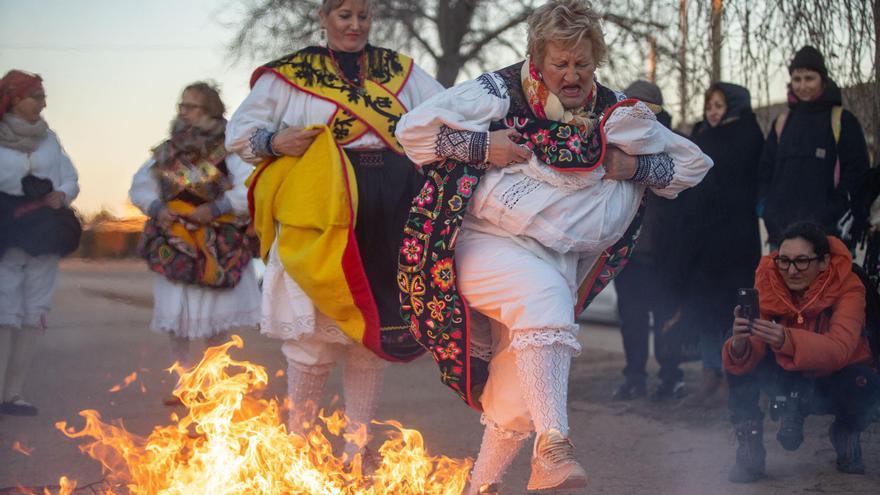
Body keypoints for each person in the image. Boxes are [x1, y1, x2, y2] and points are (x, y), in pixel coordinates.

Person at [394, 1, 712, 492]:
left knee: (520, 390)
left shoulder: (614, 110)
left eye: (582, 64)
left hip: (560, 258)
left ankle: (480, 486)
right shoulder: (498, 90)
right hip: (486, 241)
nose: (572, 75)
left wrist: (636, 169)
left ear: (595, 60)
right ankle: (555, 446)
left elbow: (692, 166)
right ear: (538, 59)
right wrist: (484, 148)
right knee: (544, 298)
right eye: (560, 64)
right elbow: (413, 131)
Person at [226, 0, 443, 463]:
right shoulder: (290, 73)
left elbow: (446, 111)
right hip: (323, 201)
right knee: (314, 337)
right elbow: (242, 131)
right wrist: (273, 142)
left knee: (372, 333)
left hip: (391, 206)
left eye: (363, 16)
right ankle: (298, 446)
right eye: (344, 15)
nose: (355, 25)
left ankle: (355, 448)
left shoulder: (399, 70)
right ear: (323, 18)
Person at [129, 81, 261, 405]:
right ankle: (185, 382)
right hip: (175, 239)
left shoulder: (230, 148)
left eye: (191, 106)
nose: (183, 112)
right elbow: (140, 187)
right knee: (179, 317)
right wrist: (159, 209)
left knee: (217, 319)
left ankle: (216, 384)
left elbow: (250, 188)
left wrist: (214, 208)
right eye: (182, 106)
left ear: (210, 110)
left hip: (218, 243)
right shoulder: (167, 151)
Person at [724, 221, 880, 482]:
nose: (791, 270)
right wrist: (740, 346)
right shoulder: (770, 279)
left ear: (823, 262)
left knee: (864, 383)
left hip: (836, 374)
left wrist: (788, 339)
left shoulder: (849, 285)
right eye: (784, 260)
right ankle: (749, 444)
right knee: (735, 356)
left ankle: (846, 431)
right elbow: (750, 350)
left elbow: (840, 348)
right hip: (784, 373)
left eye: (802, 261)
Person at [675, 82, 764, 407]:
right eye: (709, 104)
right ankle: (709, 376)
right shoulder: (699, 135)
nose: (712, 111)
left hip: (736, 241)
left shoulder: (749, 134)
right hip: (703, 242)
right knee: (704, 312)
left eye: (719, 105)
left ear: (735, 105)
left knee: (733, 312)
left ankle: (733, 377)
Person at [0, 70, 80, 416]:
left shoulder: (50, 139)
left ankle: (14, 394)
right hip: (6, 227)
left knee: (35, 310)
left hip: (44, 229)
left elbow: (69, 176)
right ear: (16, 99)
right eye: (37, 95)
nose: (44, 102)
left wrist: (63, 194)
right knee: (4, 309)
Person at [611, 80, 687, 402]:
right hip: (629, 252)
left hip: (665, 252)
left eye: (643, 107)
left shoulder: (675, 145)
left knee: (667, 318)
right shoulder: (614, 144)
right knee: (632, 319)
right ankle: (635, 376)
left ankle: (671, 376)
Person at [758, 46, 869, 248]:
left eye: (809, 78)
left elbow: (857, 174)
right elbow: (765, 171)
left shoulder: (842, 121)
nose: (802, 86)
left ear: (823, 80)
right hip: (782, 238)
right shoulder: (782, 123)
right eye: (797, 79)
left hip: (828, 238)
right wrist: (767, 210)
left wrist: (834, 213)